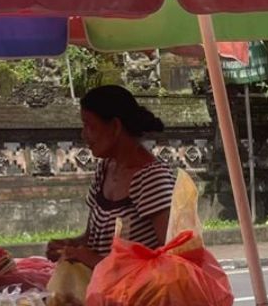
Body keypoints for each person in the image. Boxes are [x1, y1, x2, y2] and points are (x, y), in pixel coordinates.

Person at [47, 85, 176, 268]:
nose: (84, 135)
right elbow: (92, 239)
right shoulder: (105, 169)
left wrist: (92, 259)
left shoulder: (152, 179)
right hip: (101, 286)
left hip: (139, 287)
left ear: (115, 127)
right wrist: (70, 245)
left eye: (90, 126)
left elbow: (171, 257)